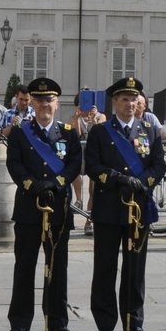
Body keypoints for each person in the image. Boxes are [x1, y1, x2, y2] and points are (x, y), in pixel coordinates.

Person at [87, 75, 166, 331]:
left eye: (134, 98)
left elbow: (159, 166)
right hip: (109, 207)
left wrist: (141, 183)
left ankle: (134, 320)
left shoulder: (150, 131)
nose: (130, 103)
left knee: (135, 268)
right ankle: (105, 322)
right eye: (125, 99)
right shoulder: (100, 131)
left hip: (138, 208)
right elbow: (93, 166)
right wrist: (116, 178)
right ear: (115, 101)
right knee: (105, 267)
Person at [4, 76, 81, 331]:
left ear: (57, 103)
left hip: (58, 206)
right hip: (29, 206)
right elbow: (14, 164)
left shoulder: (68, 134)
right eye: (39, 100)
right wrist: (32, 184)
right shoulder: (19, 132)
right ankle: (20, 321)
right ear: (31, 104)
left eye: (49, 100)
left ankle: (57, 319)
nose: (44, 104)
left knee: (58, 266)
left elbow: (73, 165)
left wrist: (56, 183)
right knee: (24, 265)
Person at [68, 90, 105, 236]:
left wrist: (94, 120)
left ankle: (89, 221)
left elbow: (100, 132)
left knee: (94, 190)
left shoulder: (100, 116)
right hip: (80, 155)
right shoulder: (73, 118)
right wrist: (77, 119)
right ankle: (78, 200)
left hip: (94, 157)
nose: (86, 107)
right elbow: (75, 135)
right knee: (75, 172)